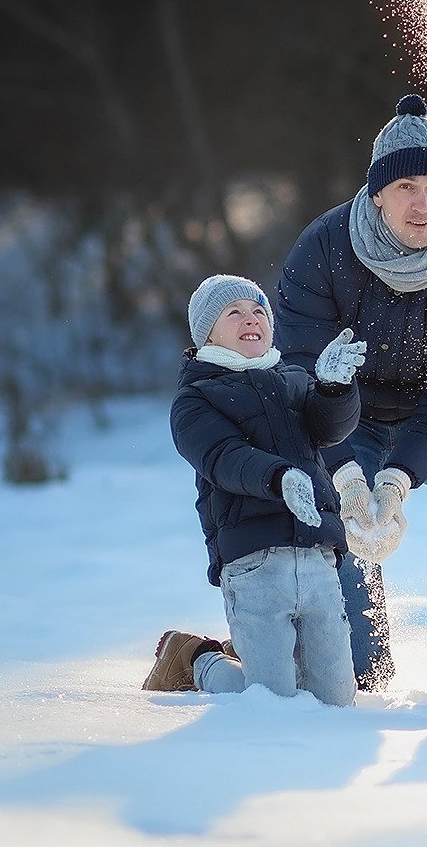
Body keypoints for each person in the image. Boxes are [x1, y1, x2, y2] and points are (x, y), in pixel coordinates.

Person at [275, 94, 427, 693]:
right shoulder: (324, 249)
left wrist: (400, 477)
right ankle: (367, 669)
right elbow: (303, 372)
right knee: (344, 512)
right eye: (407, 186)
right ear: (377, 193)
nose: (423, 202)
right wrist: (352, 476)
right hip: (343, 412)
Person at [141, 274, 368, 706]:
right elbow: (222, 458)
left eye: (259, 310)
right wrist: (278, 476)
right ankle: (196, 660)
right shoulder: (195, 399)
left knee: (336, 699)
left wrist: (335, 388)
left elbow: (331, 428)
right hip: (253, 560)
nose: (251, 318)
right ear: (208, 332)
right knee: (269, 699)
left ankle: (249, 650)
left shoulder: (295, 380)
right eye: (235, 312)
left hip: (317, 554)